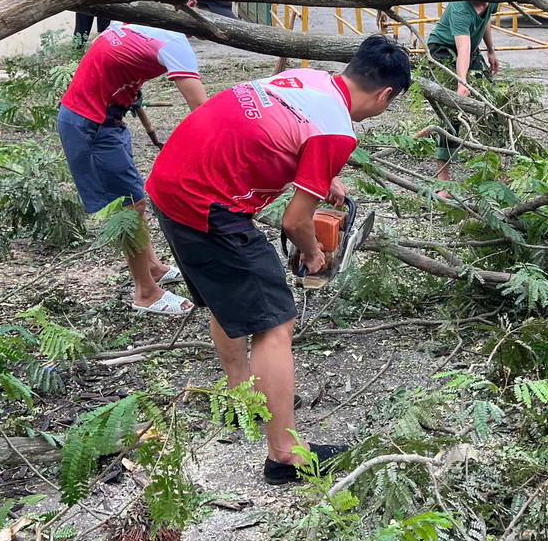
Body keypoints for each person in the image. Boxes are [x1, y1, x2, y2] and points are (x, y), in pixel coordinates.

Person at [145, 35, 412, 483]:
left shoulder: (307, 79)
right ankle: (284, 455)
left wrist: (319, 176)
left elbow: (267, 133)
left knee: (225, 299)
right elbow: (294, 221)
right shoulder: (337, 130)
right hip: (208, 205)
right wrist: (313, 253)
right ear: (385, 95)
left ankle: (241, 399)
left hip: (169, 182)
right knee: (275, 321)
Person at [58, 21, 208, 315]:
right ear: (190, 5)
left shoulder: (135, 21)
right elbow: (203, 113)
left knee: (134, 198)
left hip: (110, 118)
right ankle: (146, 293)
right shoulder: (175, 45)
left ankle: (152, 267)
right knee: (129, 206)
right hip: (89, 126)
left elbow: (111, 59)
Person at [426, 0, 501, 181]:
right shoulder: (460, 6)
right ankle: (443, 179)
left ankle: (497, 169)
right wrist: (462, 82)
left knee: (495, 101)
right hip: (443, 49)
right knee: (451, 110)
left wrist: (491, 50)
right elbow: (463, 48)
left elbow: (485, 21)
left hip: (470, 50)